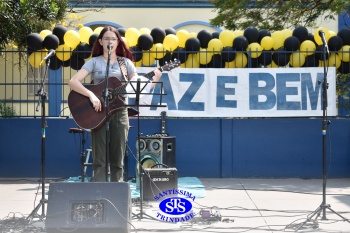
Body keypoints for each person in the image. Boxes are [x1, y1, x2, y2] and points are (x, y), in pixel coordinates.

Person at [68, 26, 162, 182]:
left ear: (118, 42)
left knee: (118, 157)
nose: (109, 41)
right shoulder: (94, 62)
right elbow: (73, 81)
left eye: (113, 39)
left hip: (119, 111)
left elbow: (137, 89)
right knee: (99, 159)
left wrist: (155, 79)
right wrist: (91, 95)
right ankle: (99, 191)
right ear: (100, 42)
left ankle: (117, 191)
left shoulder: (125, 63)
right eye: (106, 38)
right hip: (97, 112)